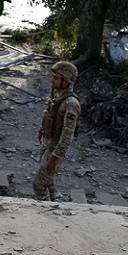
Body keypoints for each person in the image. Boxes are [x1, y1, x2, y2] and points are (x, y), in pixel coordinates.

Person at [34, 61, 82, 201]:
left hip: (54, 149)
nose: (51, 80)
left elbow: (67, 136)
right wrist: (41, 132)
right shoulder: (57, 95)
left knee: (38, 185)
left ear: (66, 81)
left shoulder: (71, 104)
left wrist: (55, 158)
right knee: (48, 180)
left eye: (56, 78)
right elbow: (50, 115)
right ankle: (57, 202)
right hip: (47, 143)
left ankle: (44, 211)